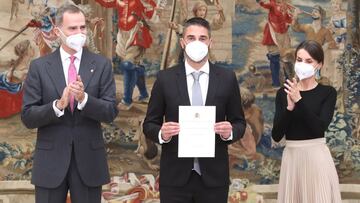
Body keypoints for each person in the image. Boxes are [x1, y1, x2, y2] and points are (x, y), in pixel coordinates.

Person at [21, 4, 118, 203]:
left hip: (89, 164)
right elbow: (28, 117)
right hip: (50, 163)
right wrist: (57, 105)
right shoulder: (39, 67)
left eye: (83, 27)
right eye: (73, 28)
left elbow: (110, 112)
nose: (80, 33)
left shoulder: (101, 65)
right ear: (58, 32)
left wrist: (84, 99)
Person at [143, 17, 246, 203]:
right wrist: (162, 134)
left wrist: (229, 132)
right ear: (182, 42)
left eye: (202, 38)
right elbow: (150, 124)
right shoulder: (165, 79)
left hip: (214, 179)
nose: (197, 43)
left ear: (210, 42)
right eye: (191, 38)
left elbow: (239, 122)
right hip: (174, 179)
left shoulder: (226, 78)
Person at [272, 40, 341, 203]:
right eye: (299, 60)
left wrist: (299, 101)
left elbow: (319, 128)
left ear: (319, 65)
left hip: (316, 157)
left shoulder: (327, 93)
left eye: (309, 61)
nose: (303, 64)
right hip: (292, 158)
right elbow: (276, 135)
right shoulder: (283, 93)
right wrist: (289, 108)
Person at [95, 0, 159, 110]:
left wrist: (149, 8)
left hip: (136, 33)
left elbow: (152, 16)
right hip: (123, 35)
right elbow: (105, 3)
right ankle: (144, 95)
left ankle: (127, 100)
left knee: (127, 65)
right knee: (134, 66)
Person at [257, 0, 293, 88]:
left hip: (283, 36)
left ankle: (289, 81)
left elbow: (289, 20)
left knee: (287, 59)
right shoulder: (272, 4)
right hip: (273, 35)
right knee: (274, 59)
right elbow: (263, 3)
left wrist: (293, 14)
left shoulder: (286, 6)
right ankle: (276, 83)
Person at [0, 40, 35, 118]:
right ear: (26, 52)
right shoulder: (23, 69)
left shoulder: (25, 66)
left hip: (10, 85)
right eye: (30, 47)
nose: (33, 49)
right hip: (10, 90)